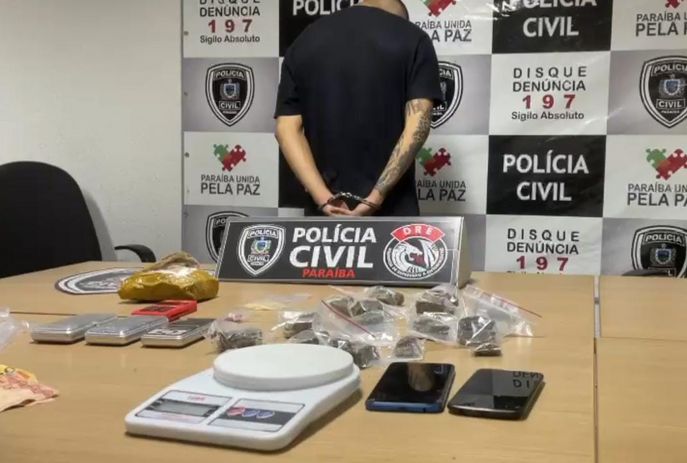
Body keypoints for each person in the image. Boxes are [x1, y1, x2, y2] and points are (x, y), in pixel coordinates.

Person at [275, 0, 442, 217]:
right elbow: (418, 123)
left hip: (324, 214)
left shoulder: (304, 41)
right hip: (393, 212)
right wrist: (375, 197)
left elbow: (286, 130)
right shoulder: (414, 38)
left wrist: (323, 199)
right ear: (400, 18)